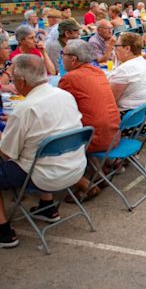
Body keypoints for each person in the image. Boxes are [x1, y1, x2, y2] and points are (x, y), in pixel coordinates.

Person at [0, 54, 86, 248]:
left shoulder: (25, 109)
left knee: (29, 155)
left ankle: (4, 231)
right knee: (40, 149)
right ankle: (47, 208)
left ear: (21, 81)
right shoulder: (65, 95)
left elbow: (7, 154)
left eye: (13, 79)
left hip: (44, 175)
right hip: (74, 167)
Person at [58, 39, 120, 202]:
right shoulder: (98, 71)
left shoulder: (70, 79)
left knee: (46, 141)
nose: (61, 58)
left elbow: (56, 108)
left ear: (73, 59)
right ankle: (100, 173)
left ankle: (86, 185)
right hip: (113, 133)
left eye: (62, 55)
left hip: (95, 138)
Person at [109, 32, 146, 134]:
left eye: (116, 46)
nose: (114, 49)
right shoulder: (143, 62)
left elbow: (110, 101)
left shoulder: (126, 69)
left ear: (127, 49)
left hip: (133, 120)